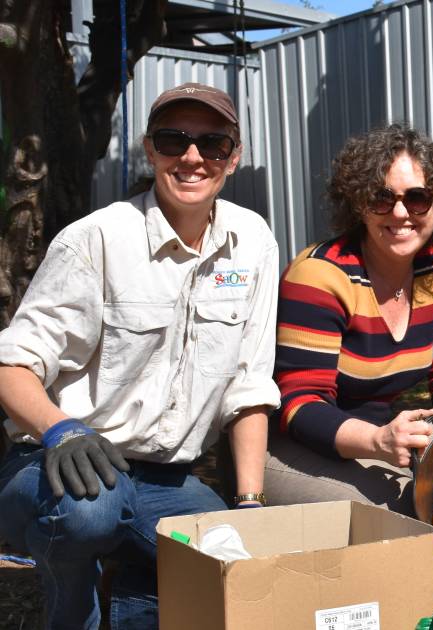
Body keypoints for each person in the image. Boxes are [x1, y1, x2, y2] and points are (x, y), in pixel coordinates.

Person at [0, 83, 280, 629]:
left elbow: (250, 384)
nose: (193, 157)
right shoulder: (96, 239)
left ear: (235, 155)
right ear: (151, 150)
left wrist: (249, 502)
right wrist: (63, 430)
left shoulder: (254, 241)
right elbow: (12, 363)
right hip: (56, 462)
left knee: (236, 562)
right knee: (89, 514)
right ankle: (68, 610)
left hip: (168, 480)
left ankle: (130, 593)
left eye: (213, 143)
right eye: (174, 141)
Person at [265, 124, 433, 514]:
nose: (401, 213)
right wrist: (378, 441)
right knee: (412, 509)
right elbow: (300, 404)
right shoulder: (320, 276)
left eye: (418, 198)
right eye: (381, 198)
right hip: (292, 447)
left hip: (380, 440)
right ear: (358, 204)